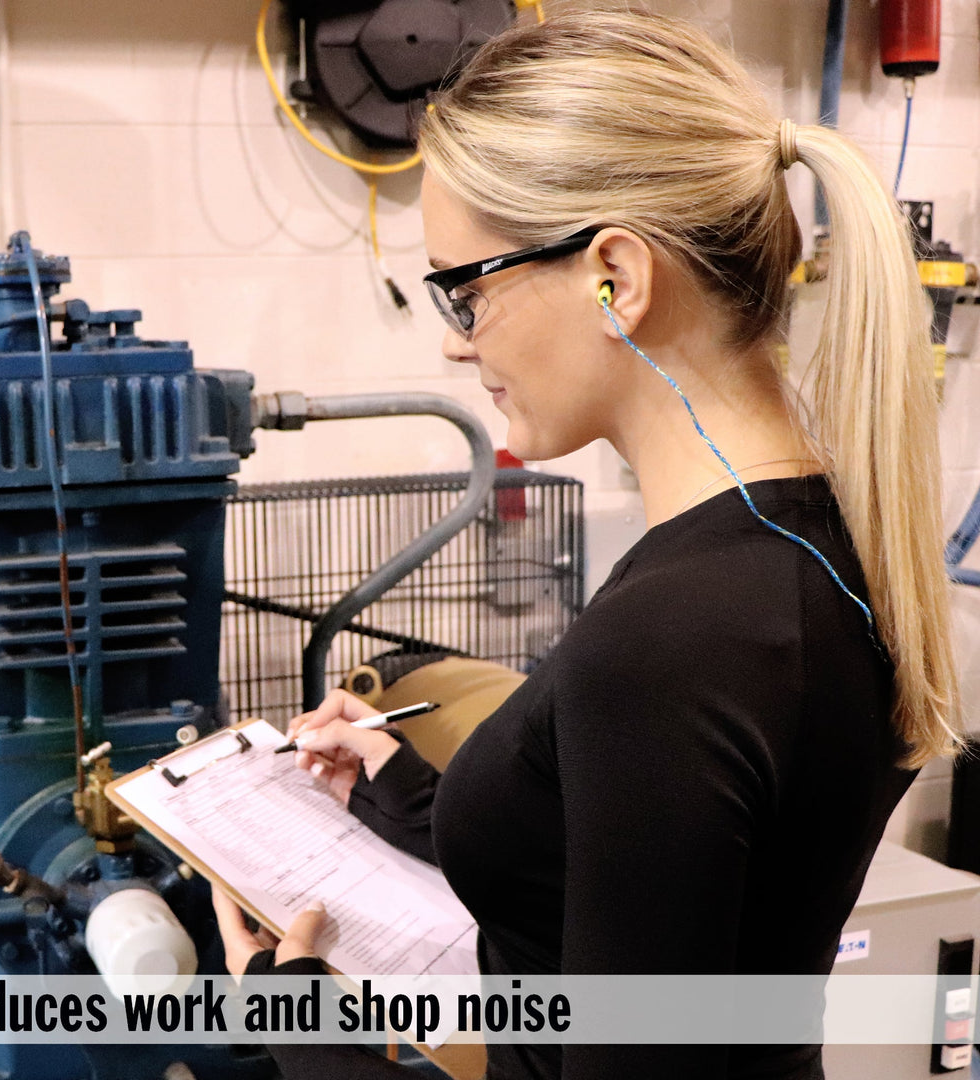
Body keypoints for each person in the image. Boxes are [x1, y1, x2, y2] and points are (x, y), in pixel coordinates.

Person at [213, 7, 960, 1077]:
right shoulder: (803, 545)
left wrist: (295, 1021)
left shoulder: (676, 637)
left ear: (617, 275)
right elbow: (647, 881)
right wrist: (401, 790)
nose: (452, 337)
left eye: (466, 289)